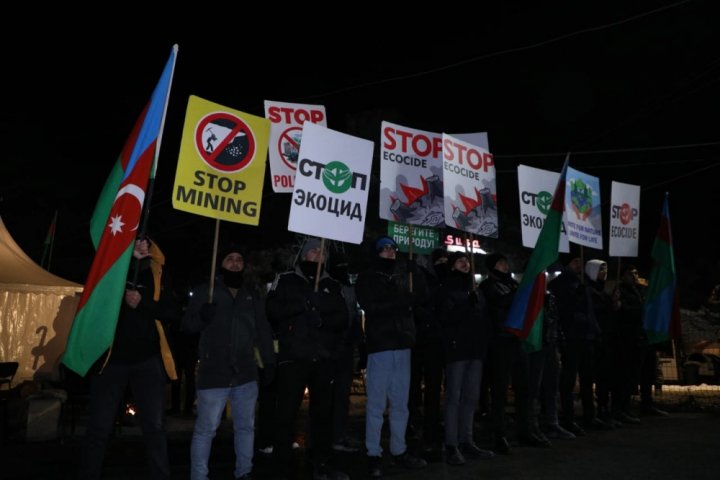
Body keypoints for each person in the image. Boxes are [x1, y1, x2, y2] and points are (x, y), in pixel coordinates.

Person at [81, 236, 177, 480]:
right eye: (137, 242)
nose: (143, 246)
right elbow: (96, 302)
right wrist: (125, 264)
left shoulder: (158, 275)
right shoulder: (111, 271)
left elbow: (171, 311)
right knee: (100, 427)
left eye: (147, 242)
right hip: (110, 361)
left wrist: (142, 303)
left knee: (154, 427)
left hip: (147, 361)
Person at [183, 243, 276, 480]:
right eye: (229, 259)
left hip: (245, 373)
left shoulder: (251, 294)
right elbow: (187, 326)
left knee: (245, 427)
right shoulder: (207, 291)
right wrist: (202, 317)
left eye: (239, 259)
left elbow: (263, 331)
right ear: (220, 264)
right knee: (206, 430)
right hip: (214, 372)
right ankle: (199, 476)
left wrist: (269, 363)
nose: (235, 263)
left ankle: (244, 471)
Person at [266, 238, 350, 480]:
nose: (319, 254)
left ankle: (321, 463)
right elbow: (272, 310)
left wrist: (322, 319)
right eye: (314, 250)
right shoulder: (286, 279)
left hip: (323, 359)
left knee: (323, 415)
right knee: (286, 414)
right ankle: (281, 466)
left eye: (323, 251)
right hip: (294, 357)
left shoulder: (333, 284)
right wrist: (301, 305)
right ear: (304, 255)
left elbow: (343, 318)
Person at [355, 236, 428, 477]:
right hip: (381, 345)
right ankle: (373, 452)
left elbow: (421, 297)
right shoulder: (368, 276)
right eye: (384, 248)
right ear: (377, 252)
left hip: (403, 344)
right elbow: (370, 305)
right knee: (376, 404)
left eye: (392, 248)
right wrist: (399, 302)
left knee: (400, 404)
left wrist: (415, 271)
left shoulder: (402, 274)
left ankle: (399, 450)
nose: (390, 251)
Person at [437, 251, 495, 465]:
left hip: (475, 351)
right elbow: (446, 318)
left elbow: (484, 319)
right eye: (460, 260)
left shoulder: (476, 291)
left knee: (471, 397)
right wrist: (465, 306)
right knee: (454, 397)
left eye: (466, 260)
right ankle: (451, 445)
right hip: (457, 350)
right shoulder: (447, 289)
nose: (465, 263)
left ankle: (467, 441)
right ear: (452, 266)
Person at [549, 256, 606, 433]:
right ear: (567, 264)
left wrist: (594, 331)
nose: (579, 265)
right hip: (571, 337)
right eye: (575, 262)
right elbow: (563, 307)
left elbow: (589, 311)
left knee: (588, 379)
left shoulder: (581, 282)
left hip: (585, 337)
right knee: (569, 380)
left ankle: (590, 416)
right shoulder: (560, 282)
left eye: (581, 262)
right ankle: (568, 419)